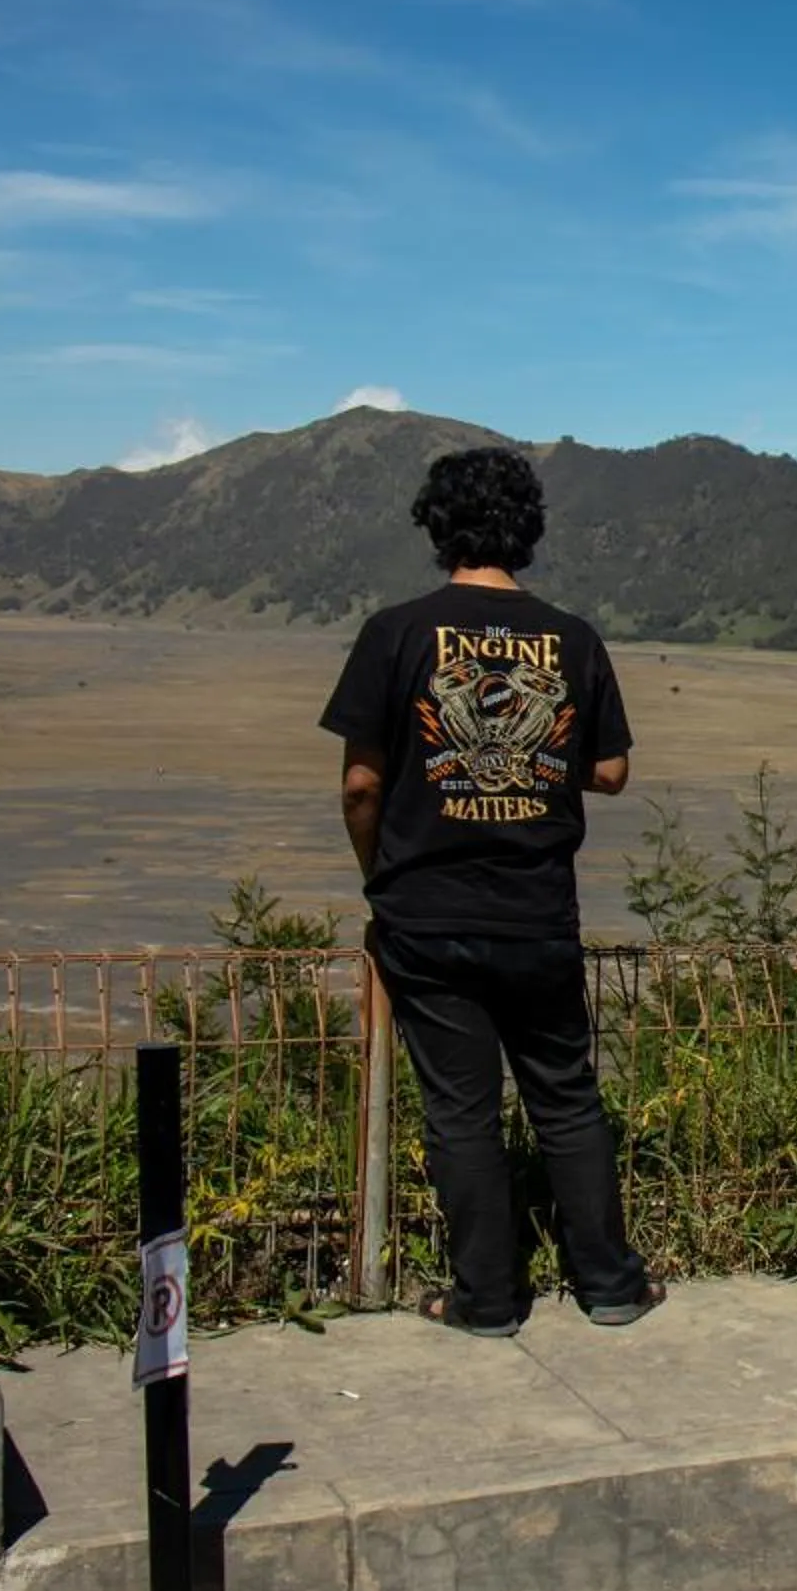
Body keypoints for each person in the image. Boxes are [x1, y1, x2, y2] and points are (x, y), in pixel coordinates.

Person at [322, 447, 659, 1336]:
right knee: (567, 1096)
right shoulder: (573, 637)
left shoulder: (395, 632)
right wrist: (539, 762)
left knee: (460, 1111)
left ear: (436, 528)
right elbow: (614, 770)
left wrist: (380, 879)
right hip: (538, 912)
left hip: (426, 913)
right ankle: (612, 1285)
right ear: (529, 531)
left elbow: (360, 785)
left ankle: (486, 1298)